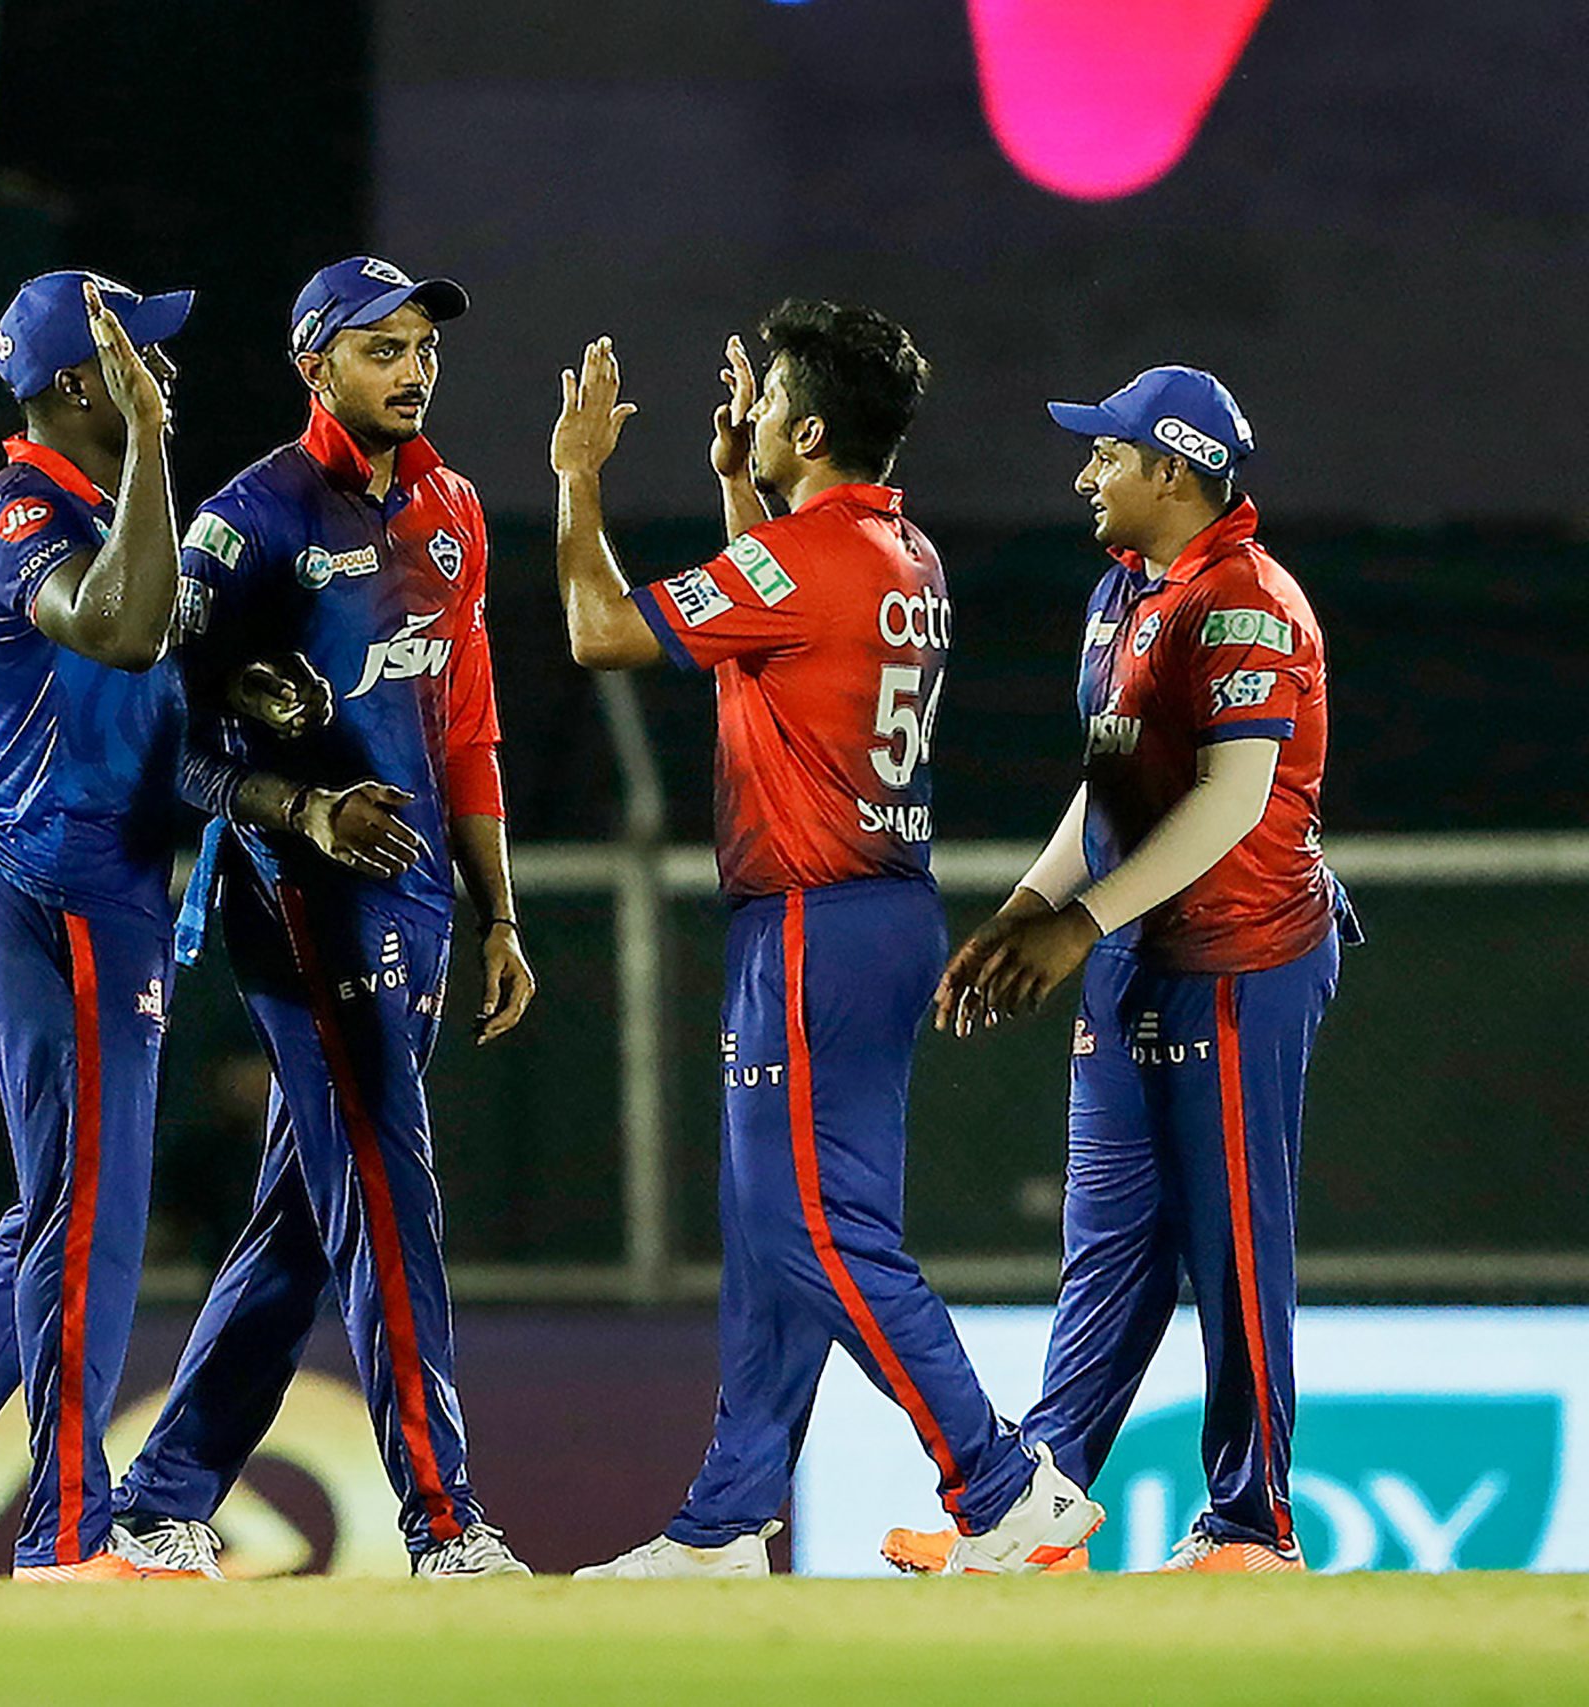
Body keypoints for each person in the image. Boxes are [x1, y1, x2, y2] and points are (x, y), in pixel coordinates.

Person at [0, 274, 419, 1582]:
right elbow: (123, 629)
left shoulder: (98, 512)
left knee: (64, 1204)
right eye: (143, 357)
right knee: (94, 1218)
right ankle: (70, 1531)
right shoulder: (19, 511)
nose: (167, 373)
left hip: (89, 877)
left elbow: (162, 724)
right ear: (80, 382)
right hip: (58, 883)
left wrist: (255, 718)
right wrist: (149, 448)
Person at [547, 303, 1102, 1578]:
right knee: (771, 1230)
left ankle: (1005, 1488)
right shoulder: (899, 553)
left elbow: (597, 630)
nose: (744, 411)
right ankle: (724, 1524)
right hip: (871, 915)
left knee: (813, 1226)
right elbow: (778, 638)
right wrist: (741, 492)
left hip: (812, 919)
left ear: (807, 429)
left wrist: (578, 480)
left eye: (766, 399)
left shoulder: (808, 560)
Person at [106, 256, 536, 1581]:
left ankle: (155, 1504)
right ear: (315, 366)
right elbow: (167, 750)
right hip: (305, 905)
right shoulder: (246, 524)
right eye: (381, 348)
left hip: (420, 899)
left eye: (423, 347)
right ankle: (444, 1521)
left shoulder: (453, 509)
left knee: (306, 1214)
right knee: (390, 1198)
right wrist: (300, 807)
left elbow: (466, 722)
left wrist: (500, 912)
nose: (413, 369)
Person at [884, 366, 1347, 1576]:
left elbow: (1232, 801)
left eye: (1107, 454)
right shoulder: (1122, 593)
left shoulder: (1246, 602)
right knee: (1105, 1246)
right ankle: (1036, 1512)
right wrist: (1028, 908)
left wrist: (1076, 923)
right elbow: (1109, 788)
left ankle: (1251, 1528)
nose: (1085, 474)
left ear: (1174, 472)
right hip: (1128, 949)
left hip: (1239, 959)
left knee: (1233, 1244)